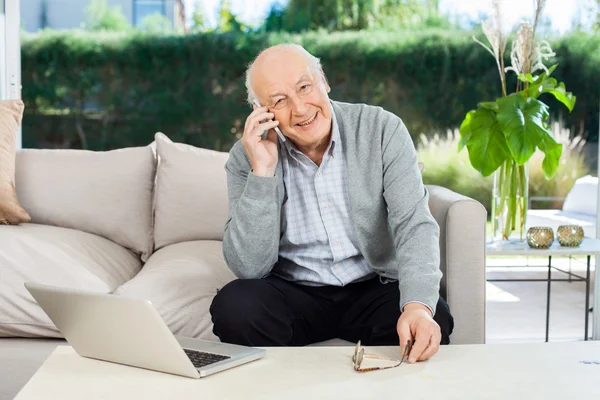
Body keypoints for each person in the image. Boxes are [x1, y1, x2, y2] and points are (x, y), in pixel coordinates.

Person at [209, 43, 454, 363]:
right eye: (280, 100)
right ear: (261, 111)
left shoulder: (381, 129)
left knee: (436, 318)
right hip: (296, 294)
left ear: (323, 80)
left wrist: (418, 308)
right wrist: (263, 172)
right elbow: (248, 267)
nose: (300, 108)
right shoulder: (246, 157)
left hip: (374, 287)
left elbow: (413, 224)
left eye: (304, 87)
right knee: (235, 308)